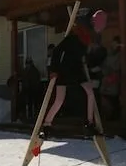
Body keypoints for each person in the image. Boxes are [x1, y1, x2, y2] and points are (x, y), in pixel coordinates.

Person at [40, 9, 108, 139]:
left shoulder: (86, 39)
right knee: (59, 99)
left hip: (77, 70)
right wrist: (54, 70)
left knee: (90, 93)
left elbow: (84, 56)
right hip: (64, 69)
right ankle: (47, 125)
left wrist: (92, 67)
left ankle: (89, 124)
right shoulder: (73, 38)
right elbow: (57, 51)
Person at [101, 36, 121, 121]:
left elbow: (117, 67)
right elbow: (104, 64)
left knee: (114, 97)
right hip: (107, 77)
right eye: (113, 43)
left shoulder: (120, 54)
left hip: (115, 78)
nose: (114, 45)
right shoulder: (108, 53)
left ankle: (115, 115)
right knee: (104, 95)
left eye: (116, 43)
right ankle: (109, 114)